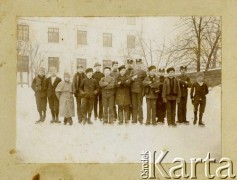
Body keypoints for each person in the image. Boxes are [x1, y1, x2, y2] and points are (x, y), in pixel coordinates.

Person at [130, 59, 147, 124]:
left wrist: (143, 91)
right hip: (133, 90)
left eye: (140, 63)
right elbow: (130, 80)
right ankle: (134, 119)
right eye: (137, 63)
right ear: (136, 64)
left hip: (140, 91)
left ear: (141, 64)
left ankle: (140, 119)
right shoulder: (133, 71)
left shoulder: (144, 72)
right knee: (134, 105)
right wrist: (132, 78)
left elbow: (145, 82)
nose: (138, 65)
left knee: (140, 105)